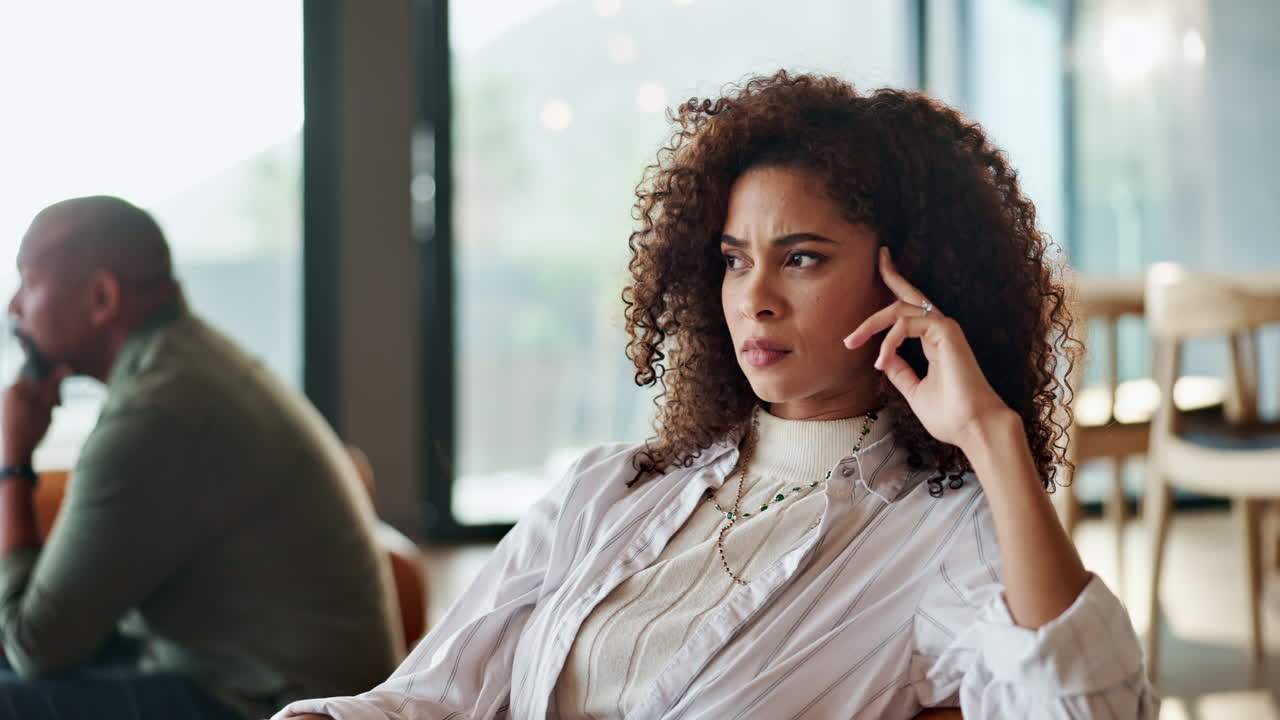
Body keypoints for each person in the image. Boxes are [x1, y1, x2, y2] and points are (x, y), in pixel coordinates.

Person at [277, 71, 1158, 719]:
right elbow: (428, 698)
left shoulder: (939, 534)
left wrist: (991, 436)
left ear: (913, 280)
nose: (754, 297)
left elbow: (1089, 710)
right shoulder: (611, 487)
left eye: (801, 257)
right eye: (735, 258)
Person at [0, 196, 401, 719]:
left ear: (101, 297)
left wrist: (11, 460)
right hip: (234, 672)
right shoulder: (185, 365)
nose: (14, 307)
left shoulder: (157, 413)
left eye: (28, 283)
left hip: (279, 706)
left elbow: (33, 645)